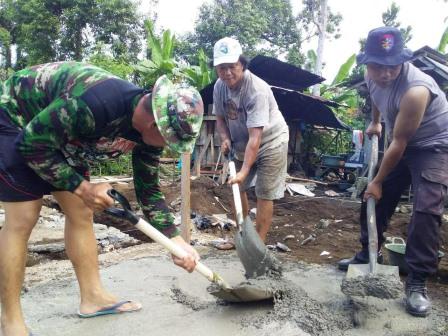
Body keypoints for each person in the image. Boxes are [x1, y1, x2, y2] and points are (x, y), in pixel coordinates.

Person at [0, 62, 204, 336]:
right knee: (23, 217)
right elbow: (31, 143)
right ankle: (12, 323)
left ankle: (93, 297)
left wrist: (175, 240)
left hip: (59, 132)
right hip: (17, 118)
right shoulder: (95, 104)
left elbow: (148, 189)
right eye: (168, 140)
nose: (167, 146)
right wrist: (83, 188)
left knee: (81, 211)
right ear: (155, 123)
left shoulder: (148, 134)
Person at [337, 27, 448, 317]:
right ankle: (367, 254)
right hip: (402, 140)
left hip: (434, 145)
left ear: (402, 61)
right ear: (368, 64)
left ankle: (416, 281)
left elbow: (399, 143)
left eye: (392, 66)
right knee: (373, 198)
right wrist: (375, 122)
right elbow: (376, 97)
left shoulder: (416, 90)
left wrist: (376, 180)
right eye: (378, 66)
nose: (385, 74)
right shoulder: (369, 75)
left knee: (426, 209)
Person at [212, 37, 289, 244]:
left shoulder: (256, 89)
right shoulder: (219, 87)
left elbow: (256, 136)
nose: (227, 72)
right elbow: (219, 118)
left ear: (242, 64)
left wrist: (244, 171)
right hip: (241, 142)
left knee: (264, 192)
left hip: (271, 141)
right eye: (222, 68)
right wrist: (225, 137)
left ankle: (258, 246)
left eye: (232, 66)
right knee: (237, 187)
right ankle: (245, 237)